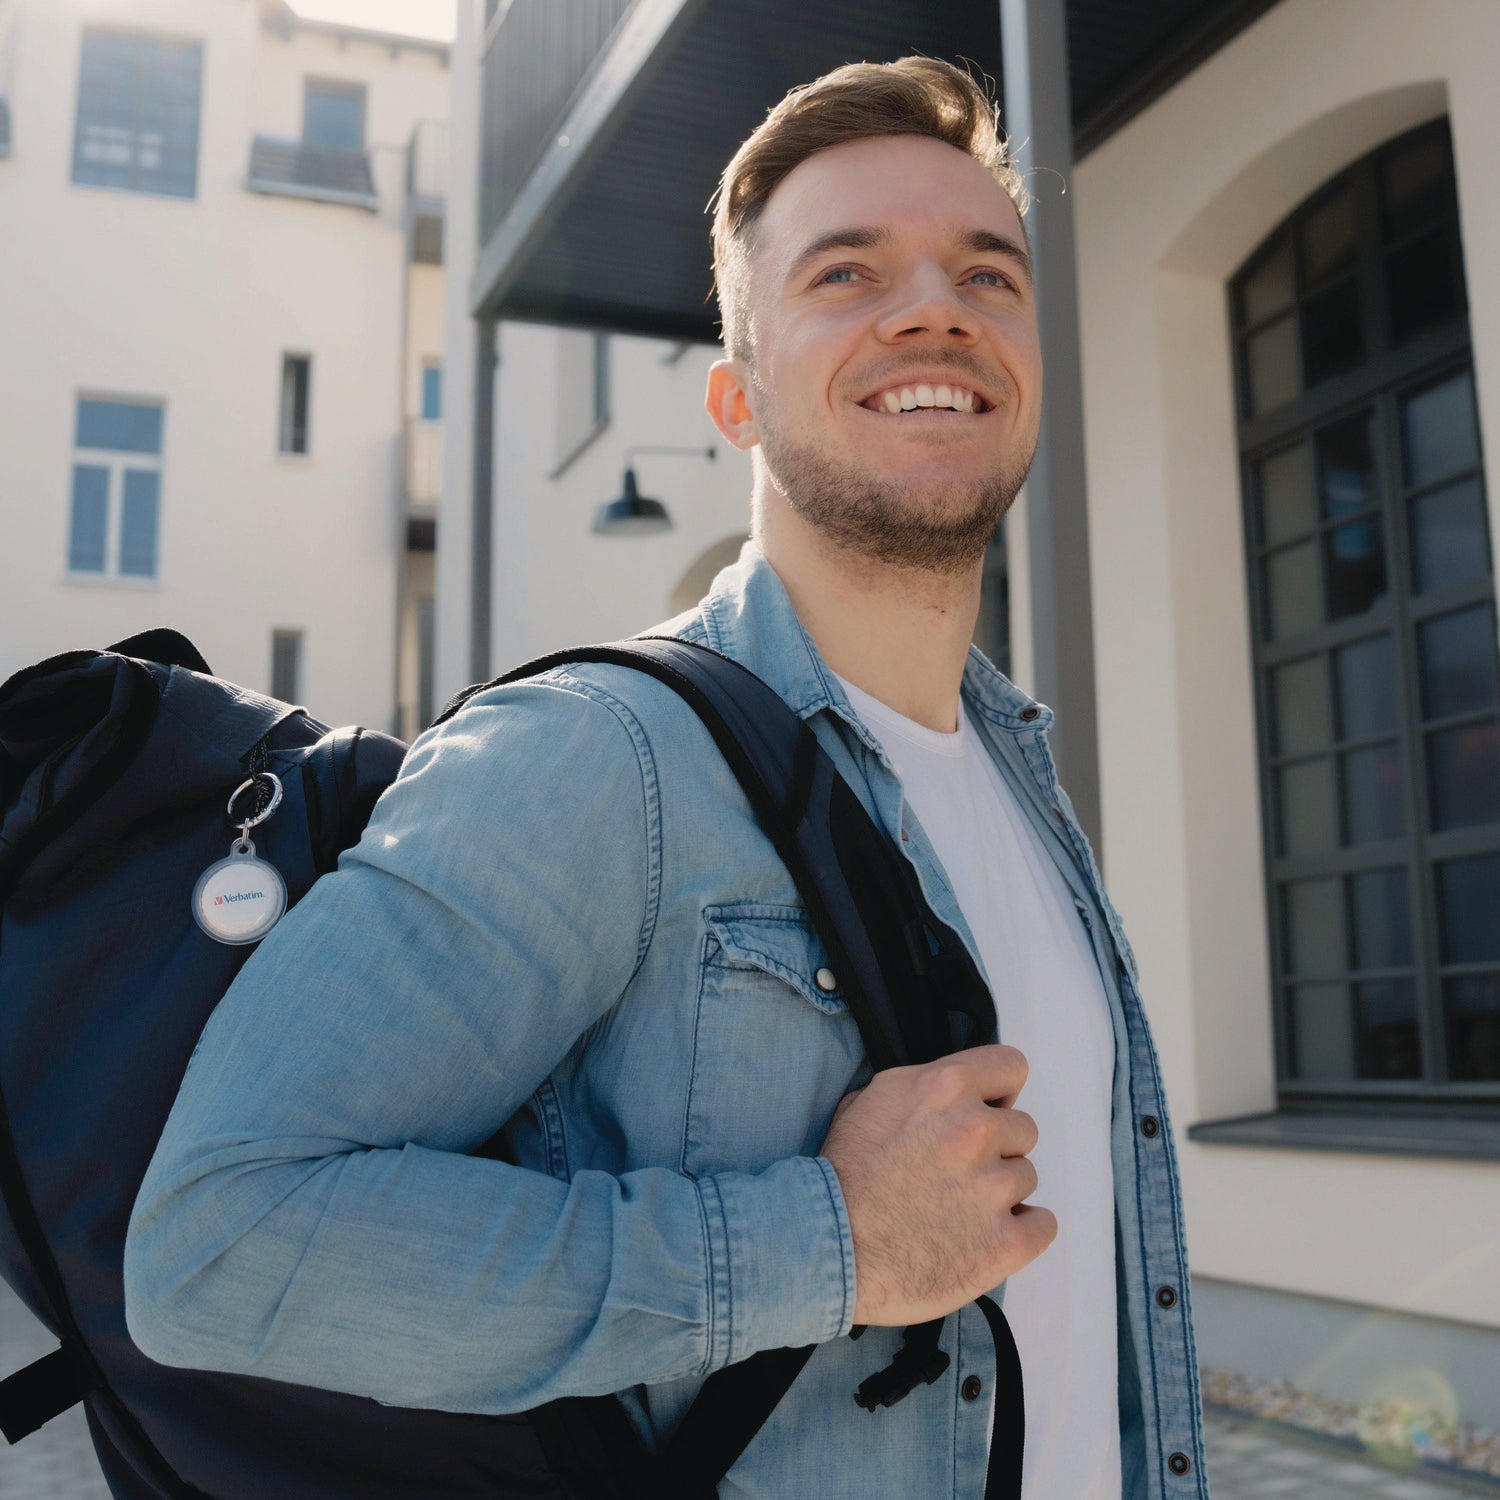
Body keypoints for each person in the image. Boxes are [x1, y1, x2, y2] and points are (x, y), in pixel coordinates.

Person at [125, 56, 1206, 1499]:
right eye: (846, 273)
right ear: (736, 397)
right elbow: (217, 1243)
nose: (935, 306)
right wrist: (835, 1242)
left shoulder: (1023, 771)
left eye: (987, 273)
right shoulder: (598, 755)